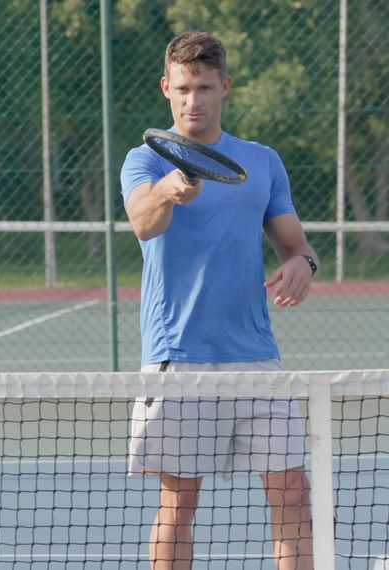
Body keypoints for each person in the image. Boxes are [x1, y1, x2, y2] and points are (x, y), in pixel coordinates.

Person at [121, 31, 319, 570]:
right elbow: (142, 222)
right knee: (180, 502)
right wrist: (168, 191)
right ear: (166, 88)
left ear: (224, 87)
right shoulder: (143, 161)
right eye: (183, 88)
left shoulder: (262, 161)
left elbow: (295, 245)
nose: (194, 100)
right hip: (177, 359)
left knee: (294, 495)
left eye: (205, 87)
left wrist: (303, 265)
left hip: (256, 357)